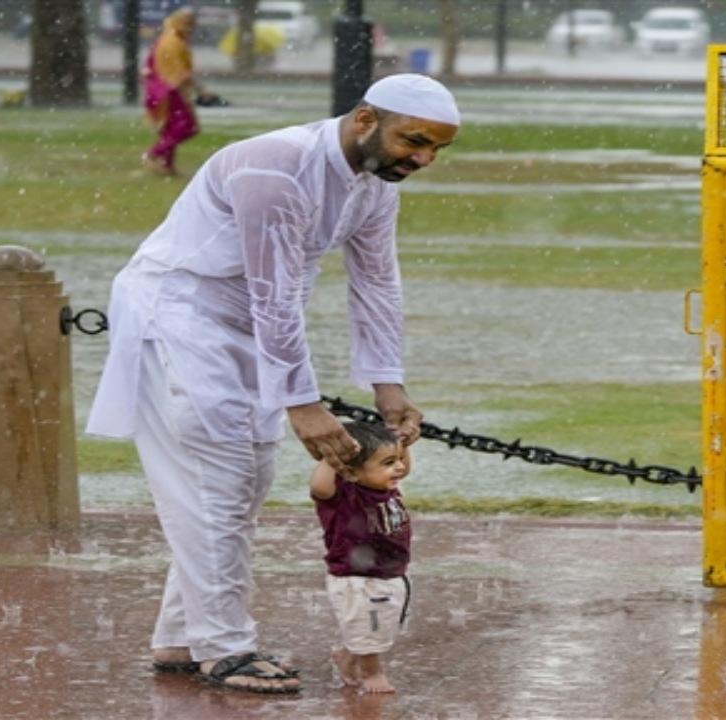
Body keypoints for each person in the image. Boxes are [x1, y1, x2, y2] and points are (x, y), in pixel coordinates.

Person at [86, 73, 460, 694]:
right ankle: (224, 649)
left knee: (238, 483)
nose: (422, 159)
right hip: (181, 316)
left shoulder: (373, 186)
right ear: (366, 119)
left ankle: (183, 635)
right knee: (218, 481)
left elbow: (377, 283)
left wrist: (387, 384)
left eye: (435, 149)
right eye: (414, 140)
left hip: (247, 330)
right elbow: (275, 291)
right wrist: (304, 403)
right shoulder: (277, 166)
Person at [310, 421, 413, 694]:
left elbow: (403, 467)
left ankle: (349, 654)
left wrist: (404, 447)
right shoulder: (345, 495)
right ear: (351, 471)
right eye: (389, 462)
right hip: (358, 577)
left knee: (377, 625)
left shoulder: (384, 488)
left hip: (388, 572)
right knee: (371, 626)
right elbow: (320, 487)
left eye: (399, 460)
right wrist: (334, 459)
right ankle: (372, 672)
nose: (400, 468)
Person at [142, 8, 202, 176]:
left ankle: (167, 165)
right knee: (187, 126)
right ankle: (154, 153)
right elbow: (178, 72)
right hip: (168, 91)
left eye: (191, 25)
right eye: (187, 24)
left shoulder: (170, 39)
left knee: (171, 129)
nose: (190, 28)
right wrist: (200, 89)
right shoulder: (172, 42)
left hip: (164, 89)